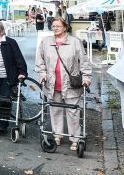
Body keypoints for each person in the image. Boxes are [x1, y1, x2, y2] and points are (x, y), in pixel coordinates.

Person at [36, 17, 92, 151]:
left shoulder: (74, 42)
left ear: (65, 27)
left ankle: (75, 139)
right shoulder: (46, 42)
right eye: (53, 26)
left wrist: (87, 77)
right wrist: (42, 73)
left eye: (58, 26)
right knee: (55, 110)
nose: (55, 28)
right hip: (52, 83)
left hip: (70, 83)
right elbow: (40, 60)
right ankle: (57, 136)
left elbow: (83, 61)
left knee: (72, 111)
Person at [0, 19, 28, 134]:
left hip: (8, 77)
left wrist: (22, 72)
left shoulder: (10, 42)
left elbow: (19, 59)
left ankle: (1, 126)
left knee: (5, 100)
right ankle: (0, 123)